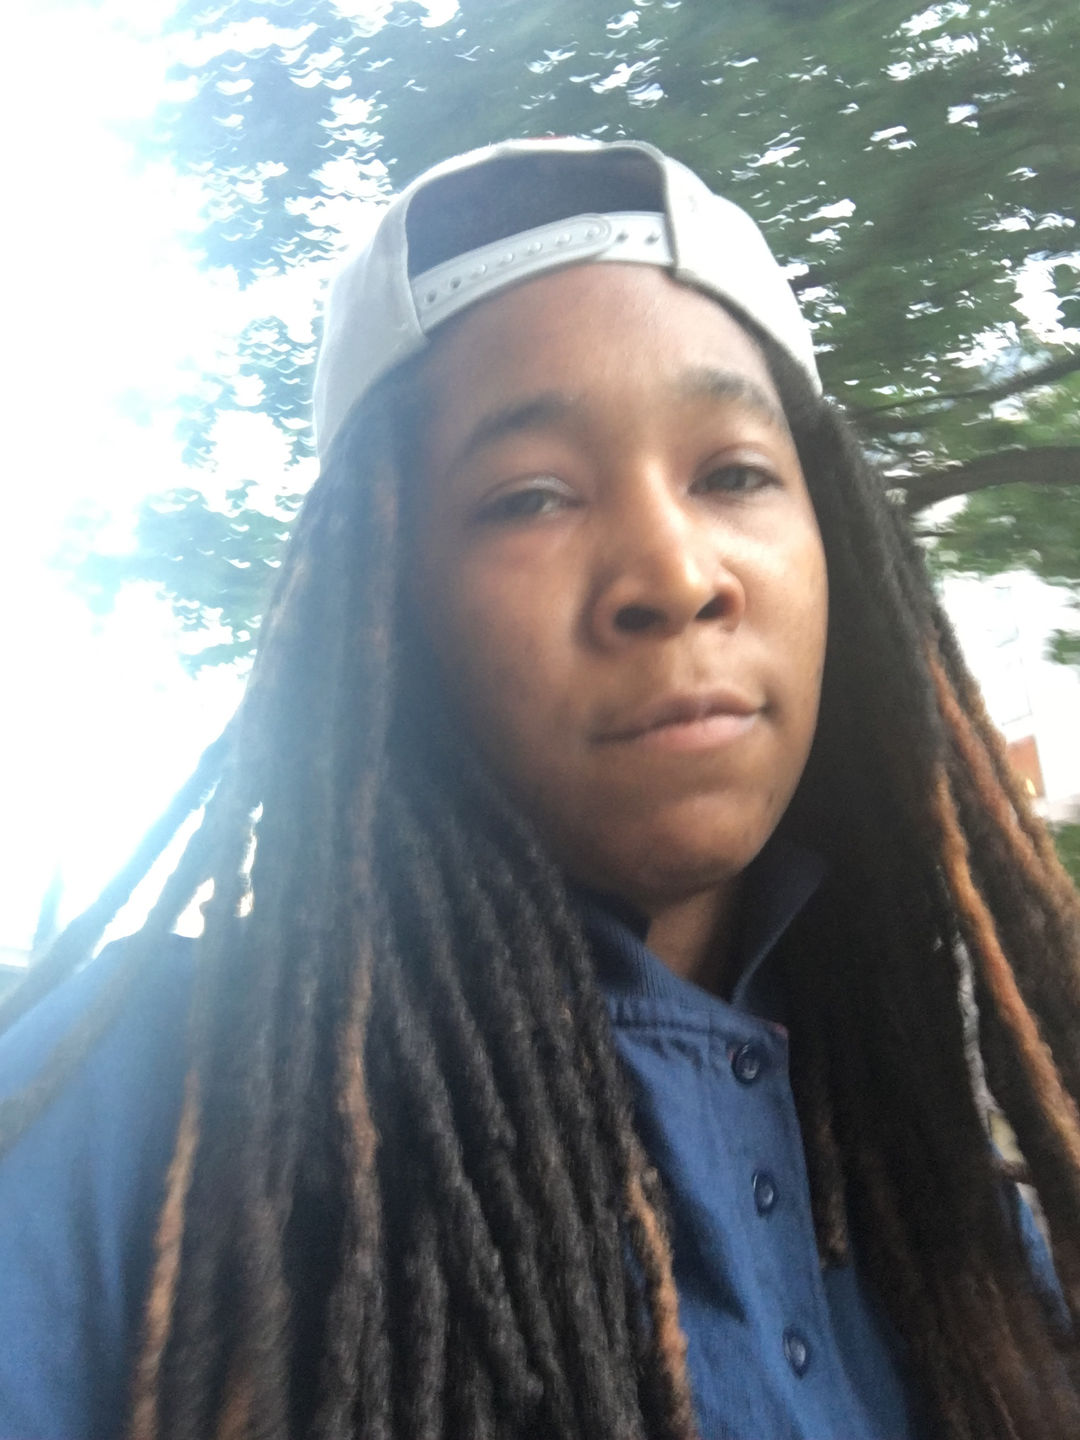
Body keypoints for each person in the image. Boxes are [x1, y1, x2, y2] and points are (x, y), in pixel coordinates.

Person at [0, 136, 1078, 1440]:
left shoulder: (953, 1209)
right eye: (530, 498)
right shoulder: (122, 1115)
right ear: (384, 606)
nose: (674, 576)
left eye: (734, 474)